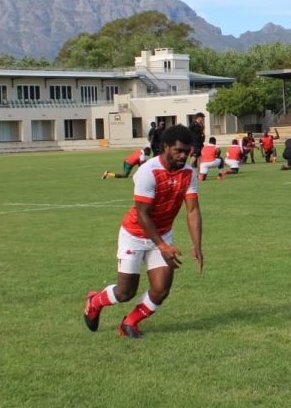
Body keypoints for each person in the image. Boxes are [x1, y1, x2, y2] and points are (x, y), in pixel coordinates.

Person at [83, 124, 203, 339]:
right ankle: (94, 301)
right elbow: (142, 215)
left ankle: (129, 323)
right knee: (125, 292)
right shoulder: (148, 171)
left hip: (162, 235)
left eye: (187, 151)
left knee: (161, 289)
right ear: (165, 147)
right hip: (135, 235)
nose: (183, 155)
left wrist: (197, 246)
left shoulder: (188, 173)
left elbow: (192, 210)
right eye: (179, 150)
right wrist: (163, 246)